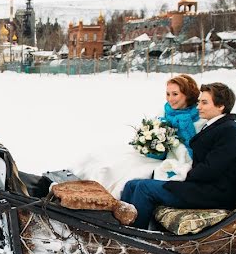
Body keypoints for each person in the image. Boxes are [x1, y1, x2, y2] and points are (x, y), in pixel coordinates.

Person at [120, 82, 236, 228]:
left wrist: (182, 175)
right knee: (132, 185)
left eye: (204, 103)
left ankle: (136, 238)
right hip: (200, 186)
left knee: (144, 188)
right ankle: (122, 227)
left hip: (212, 193)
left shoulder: (229, 131)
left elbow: (211, 169)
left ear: (221, 106)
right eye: (199, 102)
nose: (198, 106)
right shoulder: (215, 125)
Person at [76, 74, 204, 197]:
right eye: (168, 94)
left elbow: (194, 146)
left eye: (175, 94)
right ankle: (84, 189)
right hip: (156, 154)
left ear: (188, 95)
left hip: (175, 157)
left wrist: (170, 142)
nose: (170, 99)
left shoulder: (199, 117)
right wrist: (149, 143)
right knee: (107, 158)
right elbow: (156, 128)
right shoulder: (166, 110)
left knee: (129, 172)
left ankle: (107, 198)